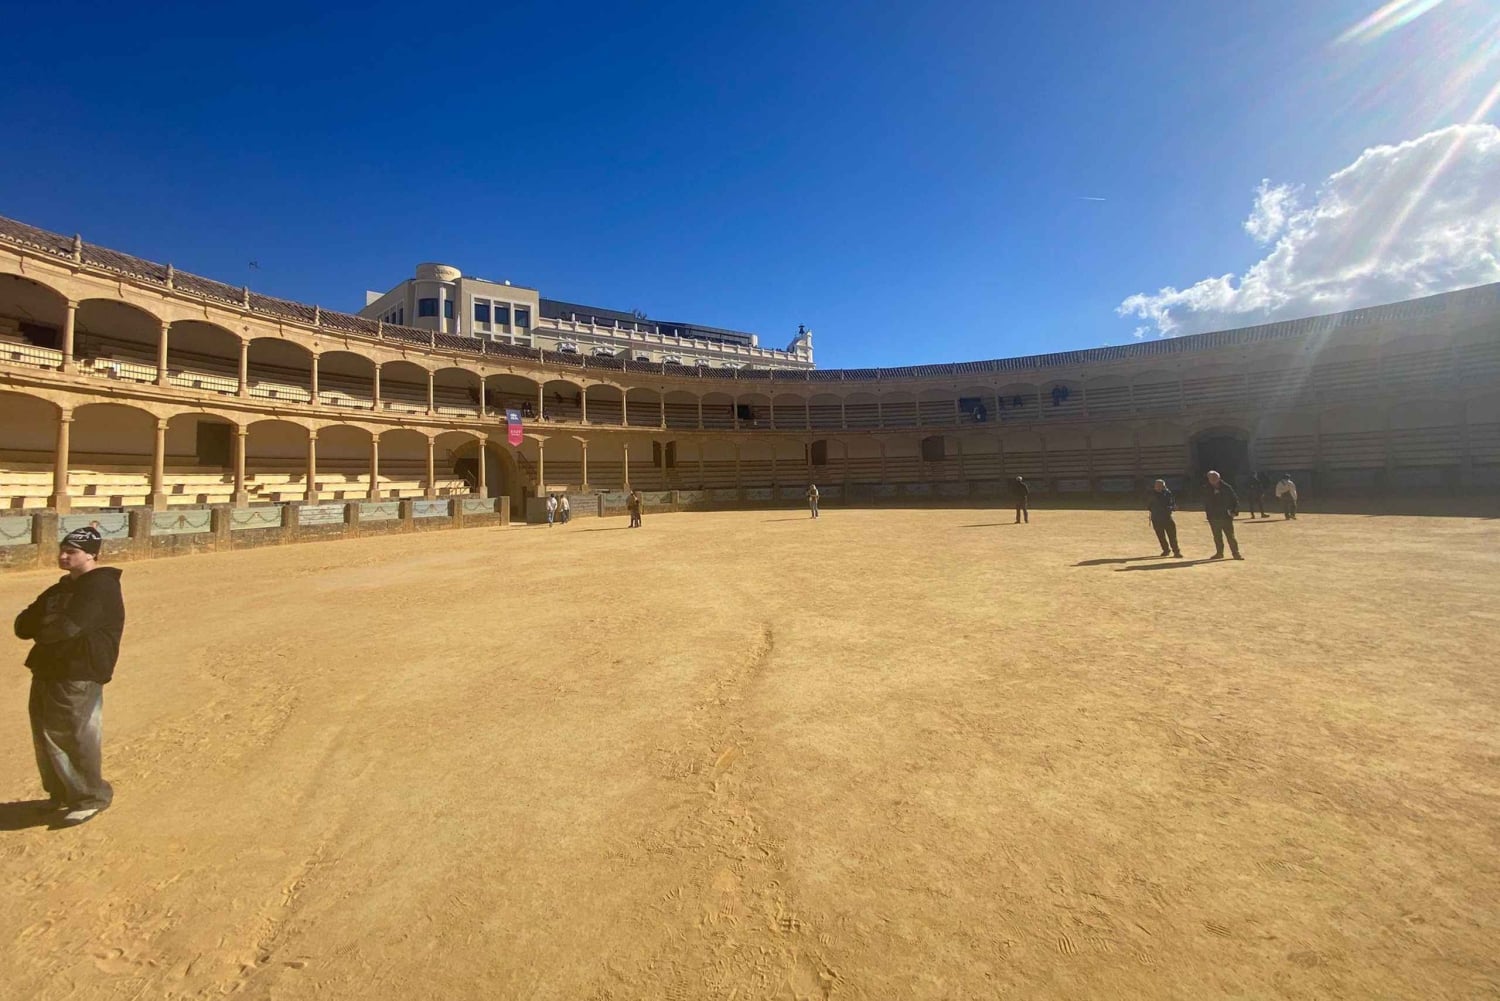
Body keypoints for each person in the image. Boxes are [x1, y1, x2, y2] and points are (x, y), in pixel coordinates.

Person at [13, 526, 125, 827]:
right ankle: (61, 792)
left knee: (76, 735)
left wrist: (48, 626)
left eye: (71, 551)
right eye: (62, 549)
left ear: (91, 554)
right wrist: (49, 626)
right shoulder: (60, 589)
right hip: (48, 668)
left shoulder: (101, 586)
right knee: (45, 735)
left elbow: (68, 627)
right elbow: (22, 626)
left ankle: (90, 797)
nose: (63, 556)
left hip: (79, 670)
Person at [1203, 470, 1243, 560]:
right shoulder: (1206, 488)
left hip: (1226, 516)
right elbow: (1206, 502)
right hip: (1213, 517)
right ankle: (1219, 553)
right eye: (1210, 478)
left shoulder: (1227, 488)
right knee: (1217, 536)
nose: (1212, 480)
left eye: (1214, 478)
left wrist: (1234, 512)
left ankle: (1236, 553)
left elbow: (1235, 500)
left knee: (1230, 536)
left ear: (1219, 478)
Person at [1147, 479, 1182, 558]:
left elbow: (1172, 504)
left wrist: (1173, 508)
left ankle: (1176, 551)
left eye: (1160, 485)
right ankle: (1166, 550)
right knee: (1161, 536)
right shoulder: (1151, 494)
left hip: (1167, 517)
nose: (1159, 487)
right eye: (1157, 485)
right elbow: (1148, 506)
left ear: (1164, 486)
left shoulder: (1168, 493)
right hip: (1156, 518)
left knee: (1172, 536)